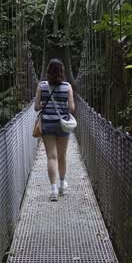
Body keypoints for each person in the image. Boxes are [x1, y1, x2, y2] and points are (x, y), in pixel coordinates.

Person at [33, 58, 76, 201]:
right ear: (62, 72)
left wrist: (45, 104)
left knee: (51, 156)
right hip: (62, 124)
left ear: (48, 72)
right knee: (62, 156)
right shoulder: (67, 87)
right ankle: (62, 184)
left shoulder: (41, 86)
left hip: (47, 124)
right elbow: (71, 108)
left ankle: (53, 189)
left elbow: (36, 107)